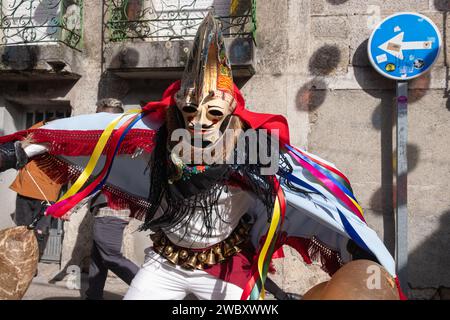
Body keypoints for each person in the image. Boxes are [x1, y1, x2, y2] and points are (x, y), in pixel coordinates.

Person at [0, 13, 405, 300]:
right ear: (178, 105)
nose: (199, 121)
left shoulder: (257, 148)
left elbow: (310, 192)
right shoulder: (159, 136)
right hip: (167, 262)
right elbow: (97, 136)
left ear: (231, 110)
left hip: (227, 269)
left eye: (212, 112)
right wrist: (22, 149)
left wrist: (356, 245)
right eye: (191, 110)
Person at [84, 98, 139, 300]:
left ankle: (153, 290)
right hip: (109, 205)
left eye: (100, 116)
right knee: (98, 257)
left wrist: (68, 206)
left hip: (112, 207)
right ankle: (93, 296)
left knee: (110, 256)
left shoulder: (118, 143)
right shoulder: (118, 141)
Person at [9, 120, 63, 259]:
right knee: (22, 229)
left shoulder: (66, 141)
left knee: (40, 231)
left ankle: (32, 262)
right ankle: (22, 261)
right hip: (26, 190)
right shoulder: (38, 130)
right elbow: (24, 140)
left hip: (47, 194)